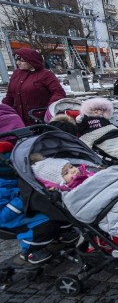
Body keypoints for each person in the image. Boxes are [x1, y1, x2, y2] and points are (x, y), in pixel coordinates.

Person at [0, 105, 60, 264]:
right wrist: (24, 199)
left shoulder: (15, 164)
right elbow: (5, 213)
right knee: (44, 222)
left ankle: (58, 234)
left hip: (23, 197)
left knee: (58, 210)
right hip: (12, 211)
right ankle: (31, 251)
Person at [2, 48, 66, 126]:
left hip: (39, 119)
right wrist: (3, 109)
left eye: (22, 60)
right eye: (16, 60)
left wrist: (50, 109)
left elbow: (58, 92)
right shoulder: (16, 74)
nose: (18, 63)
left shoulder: (45, 74)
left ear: (31, 60)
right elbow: (10, 95)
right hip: (18, 119)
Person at [76, 98, 118, 164]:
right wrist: (79, 120)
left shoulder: (103, 119)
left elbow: (109, 125)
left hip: (111, 133)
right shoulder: (85, 118)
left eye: (100, 110)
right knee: (116, 150)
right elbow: (80, 128)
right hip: (95, 136)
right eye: (93, 110)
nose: (96, 111)